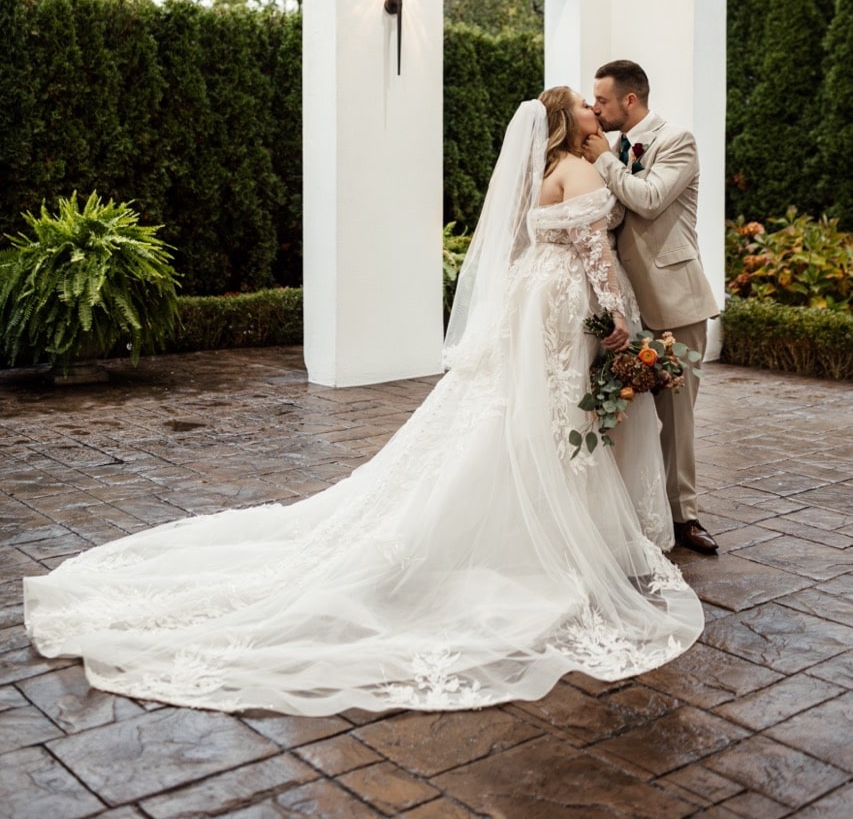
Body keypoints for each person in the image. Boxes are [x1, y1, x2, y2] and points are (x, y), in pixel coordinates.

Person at [24, 89, 703, 717]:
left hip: (533, 298)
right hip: (565, 301)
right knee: (554, 412)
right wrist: (616, 320)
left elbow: (524, 243)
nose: (594, 109)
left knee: (522, 410)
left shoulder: (541, 170)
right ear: (566, 120)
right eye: (584, 105)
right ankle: (552, 539)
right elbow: (592, 251)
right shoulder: (582, 173)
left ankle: (531, 524)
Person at [581, 60, 720, 555]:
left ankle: (684, 517)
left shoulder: (677, 140)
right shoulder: (611, 149)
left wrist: (603, 162)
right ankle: (636, 510)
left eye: (601, 100)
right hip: (628, 304)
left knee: (676, 419)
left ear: (630, 101)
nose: (595, 108)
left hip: (675, 300)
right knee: (628, 415)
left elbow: (650, 198)